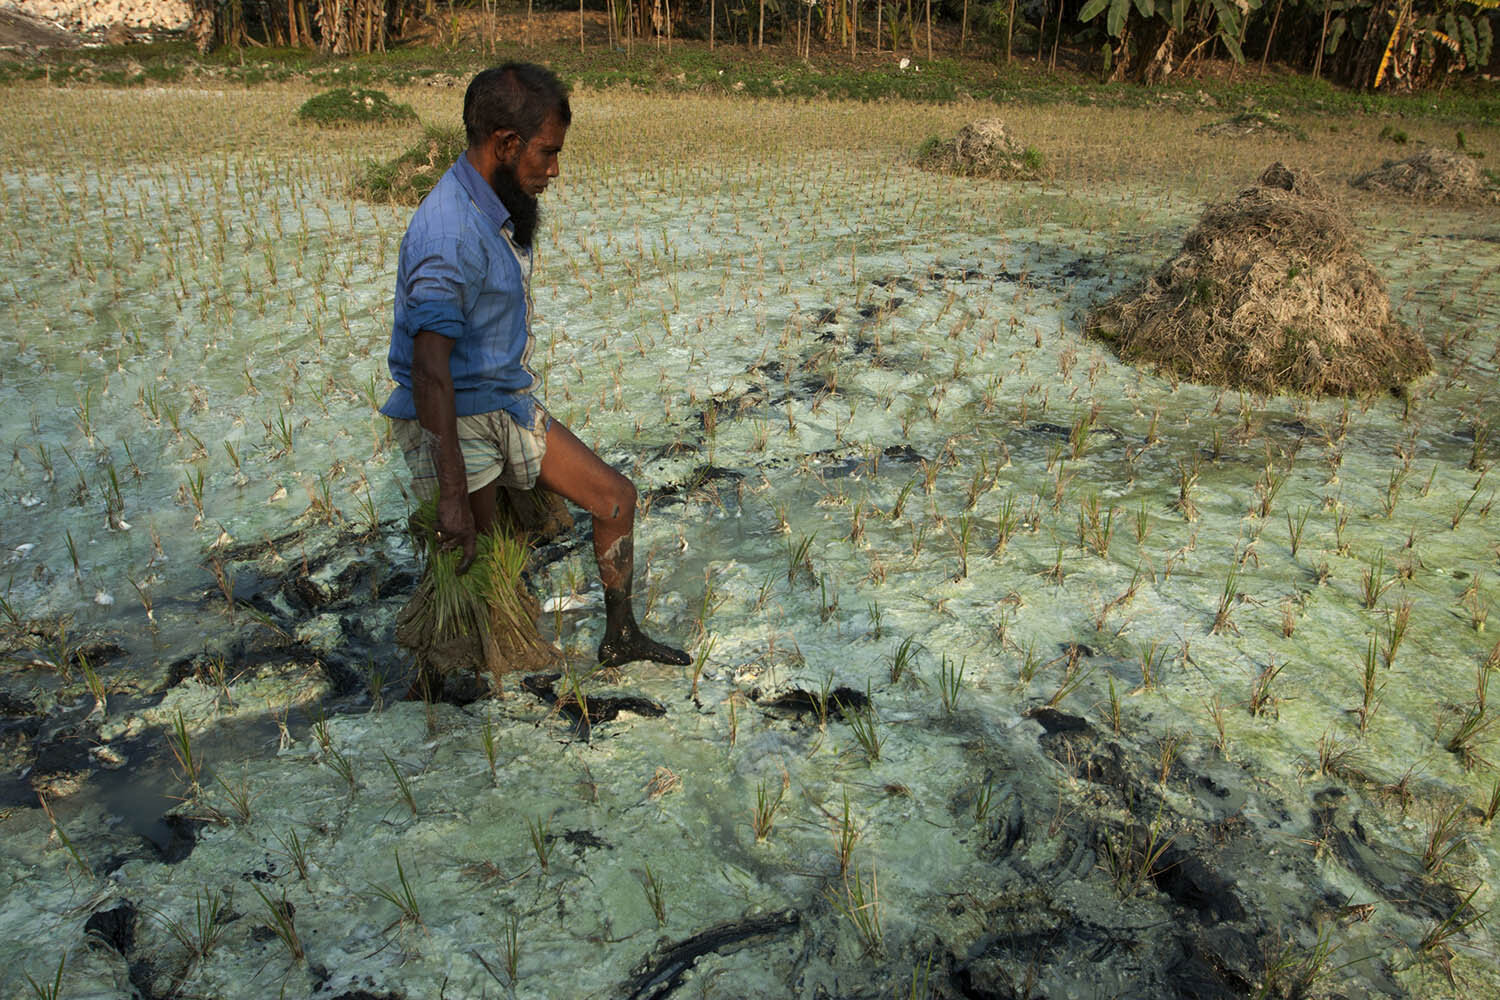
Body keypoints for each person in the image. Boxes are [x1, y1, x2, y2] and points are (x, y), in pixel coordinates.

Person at [381, 63, 689, 670]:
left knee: (615, 498)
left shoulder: (494, 204)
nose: (554, 170)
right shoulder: (448, 234)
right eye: (547, 154)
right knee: (485, 566)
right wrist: (450, 496)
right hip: (460, 419)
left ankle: (620, 637)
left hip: (507, 402)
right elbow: (429, 373)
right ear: (504, 144)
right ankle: (456, 675)